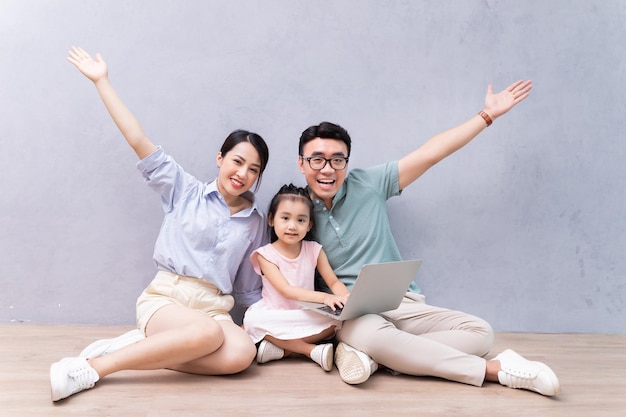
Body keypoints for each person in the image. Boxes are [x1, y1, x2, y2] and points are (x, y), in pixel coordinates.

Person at [297, 80, 561, 396]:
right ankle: (495, 370)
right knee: (376, 335)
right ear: (302, 164)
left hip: (401, 302)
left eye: (337, 159)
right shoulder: (294, 210)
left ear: (347, 164)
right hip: (352, 314)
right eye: (317, 159)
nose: (328, 168)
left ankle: (379, 359)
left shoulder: (369, 183)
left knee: (481, 334)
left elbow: (430, 153)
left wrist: (487, 116)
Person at [50, 46, 269, 402]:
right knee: (207, 336)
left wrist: (267, 326)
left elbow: (247, 287)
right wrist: (101, 81)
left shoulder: (254, 222)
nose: (242, 174)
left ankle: (147, 349)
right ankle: (96, 366)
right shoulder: (184, 190)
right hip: (168, 299)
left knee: (242, 354)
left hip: (215, 307)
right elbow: (138, 139)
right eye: (237, 161)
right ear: (220, 158)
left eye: (253, 169)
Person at [243, 184, 350, 371]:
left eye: (301, 220)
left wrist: (346, 298)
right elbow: (287, 290)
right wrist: (325, 297)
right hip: (275, 313)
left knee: (339, 321)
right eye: (285, 218)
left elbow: (333, 282)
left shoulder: (314, 250)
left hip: (306, 313)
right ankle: (310, 351)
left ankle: (283, 350)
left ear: (309, 225)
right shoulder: (265, 255)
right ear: (271, 220)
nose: (292, 226)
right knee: (251, 322)